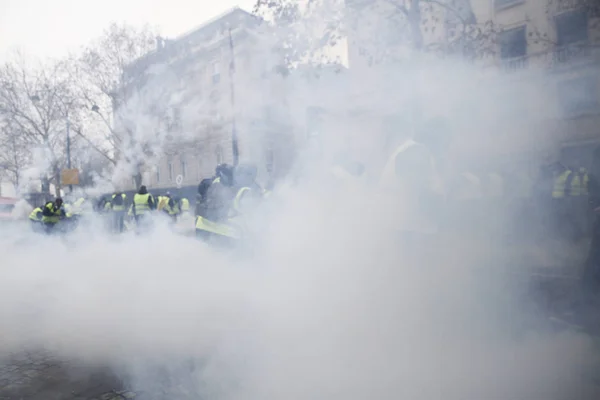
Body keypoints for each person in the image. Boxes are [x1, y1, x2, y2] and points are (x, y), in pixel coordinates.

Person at [195, 164, 239, 246]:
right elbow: (216, 208)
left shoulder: (212, 183)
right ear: (222, 174)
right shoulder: (217, 186)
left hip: (207, 226)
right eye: (230, 175)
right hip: (211, 227)